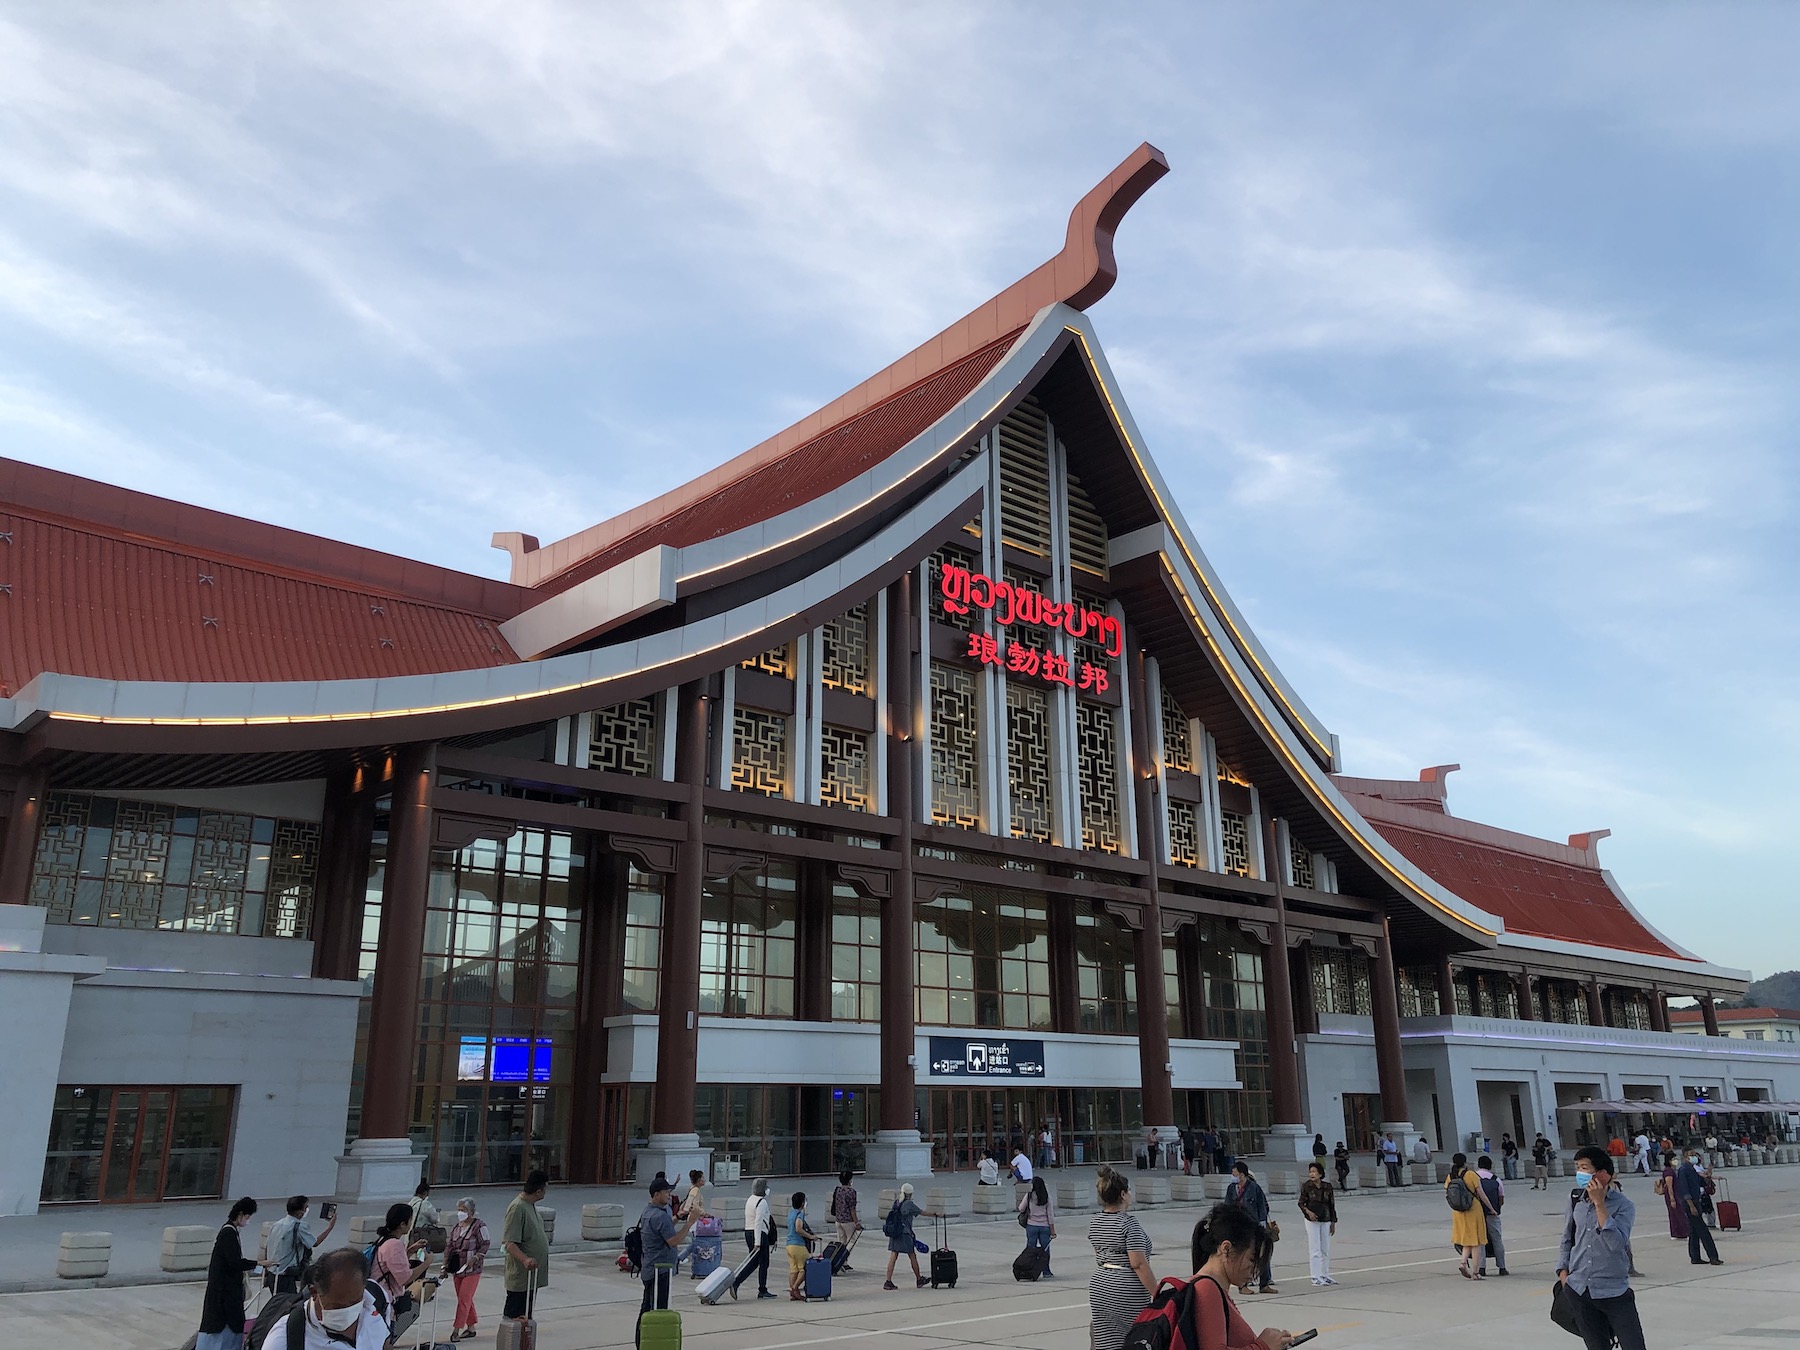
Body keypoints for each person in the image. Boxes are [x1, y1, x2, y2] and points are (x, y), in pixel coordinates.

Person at [1558, 1144, 1646, 1350]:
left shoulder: (1624, 1206)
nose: (1580, 1173)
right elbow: (1567, 1238)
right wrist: (1563, 1273)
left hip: (1614, 1291)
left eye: (1585, 1167)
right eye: (1578, 1167)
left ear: (1603, 1174)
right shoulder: (1575, 1201)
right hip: (1580, 1289)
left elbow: (1616, 1244)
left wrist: (1600, 1205)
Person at [1185, 1203, 1296, 1350]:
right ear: (1226, 1249)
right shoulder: (1207, 1288)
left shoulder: (1216, 1289)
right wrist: (1263, 1346)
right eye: (1251, 1260)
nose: (1255, 1271)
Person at [262, 1247, 390, 1350]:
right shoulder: (285, 1339)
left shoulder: (377, 1299)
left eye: (355, 1303)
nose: (348, 1312)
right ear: (314, 1293)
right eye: (337, 1307)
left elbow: (383, 1341)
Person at [1087, 1165, 1155, 1350]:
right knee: (1134, 1338)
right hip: (1126, 1287)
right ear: (1123, 1194)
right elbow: (1138, 1263)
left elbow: (1100, 1252)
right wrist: (1156, 1292)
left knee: (1106, 1340)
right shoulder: (1128, 1223)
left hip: (1100, 1283)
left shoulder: (1095, 1221)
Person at [197, 1197, 268, 1350]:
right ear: (240, 1214)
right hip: (224, 1295)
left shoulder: (231, 1231)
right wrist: (257, 1263)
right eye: (248, 1217)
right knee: (223, 1332)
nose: (248, 1221)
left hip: (225, 1292)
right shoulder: (228, 1233)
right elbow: (234, 1262)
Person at [637, 1175, 692, 1335]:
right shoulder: (660, 1215)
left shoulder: (648, 1211)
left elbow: (664, 1228)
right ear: (656, 1195)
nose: (669, 1195)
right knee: (657, 1309)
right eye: (666, 1192)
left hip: (649, 1266)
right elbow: (673, 1240)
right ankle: (653, 1341)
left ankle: (642, 1342)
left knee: (646, 1308)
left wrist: (678, 1217)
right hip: (660, 1270)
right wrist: (689, 1224)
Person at [371, 1201, 429, 1339]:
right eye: (410, 1220)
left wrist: (409, 1251)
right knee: (385, 1341)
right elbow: (405, 1278)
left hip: (375, 1297)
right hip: (385, 1303)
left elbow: (391, 1266)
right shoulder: (394, 1244)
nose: (410, 1224)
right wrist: (427, 1262)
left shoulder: (384, 1240)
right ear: (402, 1224)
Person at [502, 1169, 550, 1324]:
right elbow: (510, 1242)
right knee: (514, 1320)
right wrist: (525, 1259)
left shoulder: (530, 1205)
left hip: (531, 1277)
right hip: (521, 1278)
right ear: (538, 1191)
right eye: (545, 1189)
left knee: (526, 1319)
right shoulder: (517, 1208)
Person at [267, 1194, 336, 1295]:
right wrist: (330, 1227)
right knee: (288, 1304)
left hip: (272, 1272)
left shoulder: (277, 1224)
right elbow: (314, 1243)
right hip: (286, 1273)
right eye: (305, 1208)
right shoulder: (299, 1226)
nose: (307, 1210)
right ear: (299, 1212)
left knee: (278, 1302)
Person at [441, 1196, 489, 1342]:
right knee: (465, 1298)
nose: (460, 1213)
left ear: (471, 1212)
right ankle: (471, 1326)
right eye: (459, 1210)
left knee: (464, 1299)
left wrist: (476, 1257)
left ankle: (456, 1329)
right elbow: (449, 1247)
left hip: (472, 1270)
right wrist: (444, 1266)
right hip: (458, 1268)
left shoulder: (479, 1226)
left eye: (463, 1210)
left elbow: (485, 1244)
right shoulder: (457, 1227)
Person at [1226, 1161, 1276, 1294]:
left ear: (1242, 1174)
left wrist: (1262, 1223)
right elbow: (1227, 1207)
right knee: (1243, 1257)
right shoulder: (1231, 1188)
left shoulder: (1254, 1188)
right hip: (1239, 1227)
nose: (1233, 1176)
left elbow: (1263, 1206)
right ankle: (1243, 1285)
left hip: (1255, 1226)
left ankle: (1264, 1283)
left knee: (1261, 1253)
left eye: (1235, 1173)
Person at [1673, 1148, 1723, 1267]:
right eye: (1691, 1155)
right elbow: (1684, 1189)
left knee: (1694, 1231)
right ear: (1686, 1157)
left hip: (1697, 1201)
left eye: (1695, 1155)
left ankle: (1695, 1256)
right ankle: (1713, 1256)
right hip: (1691, 1204)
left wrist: (1709, 1172)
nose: (1694, 1157)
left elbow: (1703, 1182)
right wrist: (1691, 1206)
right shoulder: (1683, 1170)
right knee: (1703, 1230)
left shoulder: (1692, 1170)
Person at [731, 1178, 777, 1300]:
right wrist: (758, 1242)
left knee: (754, 1261)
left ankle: (738, 1282)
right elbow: (758, 1221)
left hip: (748, 1231)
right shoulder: (762, 1202)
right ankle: (761, 1289)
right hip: (759, 1233)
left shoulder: (750, 1199)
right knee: (764, 1262)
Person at [1297, 1161, 1337, 1286]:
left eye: (1314, 1171)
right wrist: (1309, 1213)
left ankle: (1325, 1274)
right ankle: (1315, 1276)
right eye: (1310, 1172)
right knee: (1315, 1249)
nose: (1312, 1174)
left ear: (1320, 1174)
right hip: (1312, 1220)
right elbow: (1301, 1203)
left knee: (1325, 1248)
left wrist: (1333, 1222)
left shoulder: (1327, 1186)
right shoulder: (1306, 1186)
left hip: (1325, 1218)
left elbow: (1331, 1204)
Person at [881, 1182, 927, 1290]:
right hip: (905, 1233)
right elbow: (921, 1212)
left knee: (893, 1256)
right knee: (912, 1256)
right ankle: (919, 1279)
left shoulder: (896, 1203)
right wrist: (936, 1214)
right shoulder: (909, 1204)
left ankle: (888, 1281)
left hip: (895, 1232)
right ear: (910, 1194)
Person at [1474, 1155, 1508, 1276]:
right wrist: (1494, 1209)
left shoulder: (1473, 1177)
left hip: (1477, 1214)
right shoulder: (1496, 1179)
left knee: (1480, 1240)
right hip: (1493, 1214)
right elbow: (1501, 1199)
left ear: (1478, 1164)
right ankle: (1502, 1267)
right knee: (1497, 1240)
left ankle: (1481, 1268)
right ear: (1490, 1165)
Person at [1018, 1175, 1057, 1277]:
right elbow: (1050, 1215)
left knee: (1030, 1248)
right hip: (1045, 1226)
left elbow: (1021, 1208)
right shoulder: (1047, 1197)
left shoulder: (1029, 1195)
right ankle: (1046, 1271)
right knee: (1045, 1249)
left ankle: (1028, 1269)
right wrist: (1052, 1230)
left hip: (1031, 1225)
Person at [828, 1168, 861, 1271]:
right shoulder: (851, 1192)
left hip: (838, 1219)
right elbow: (852, 1209)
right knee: (852, 1240)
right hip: (848, 1221)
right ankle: (842, 1259)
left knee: (841, 1242)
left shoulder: (838, 1190)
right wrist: (857, 1222)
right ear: (850, 1179)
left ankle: (842, 1262)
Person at [1653, 1153, 1689, 1244]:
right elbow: (1669, 1185)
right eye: (1674, 1159)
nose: (1676, 1160)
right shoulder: (1668, 1171)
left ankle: (1678, 1233)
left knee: (1675, 1214)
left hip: (1675, 1194)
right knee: (1679, 1214)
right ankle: (1684, 1232)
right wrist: (1672, 1198)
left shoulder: (1672, 1170)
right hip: (1673, 1195)